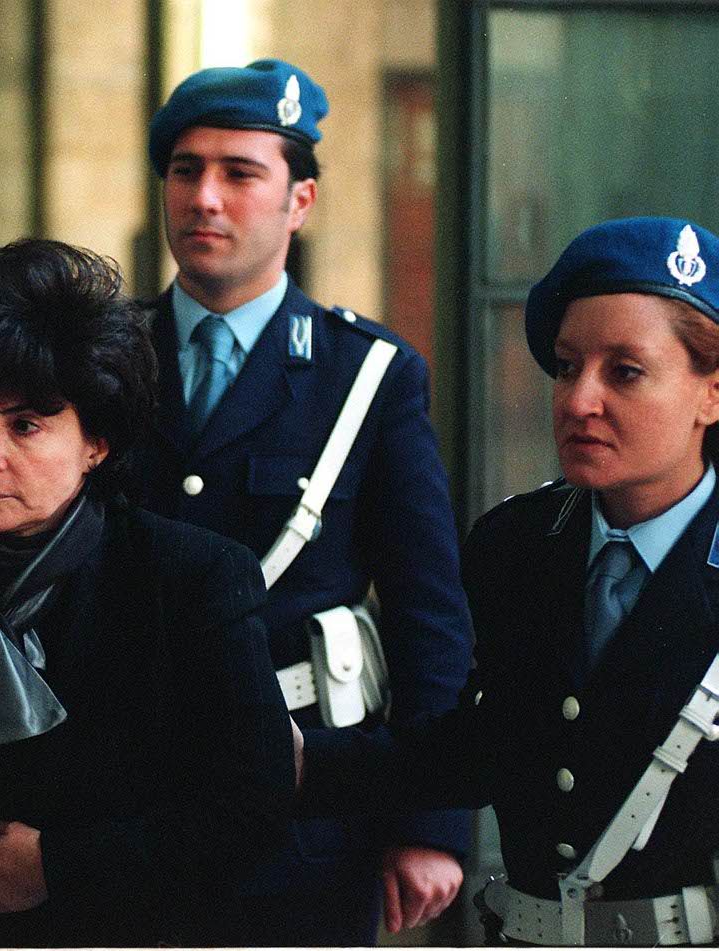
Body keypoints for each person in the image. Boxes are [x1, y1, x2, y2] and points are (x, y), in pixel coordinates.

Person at [0, 239, 296, 946]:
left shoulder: (190, 580)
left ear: (95, 444)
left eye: (24, 425)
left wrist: (61, 865)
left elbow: (252, 808)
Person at [300, 216, 719, 946]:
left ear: (711, 394)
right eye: (566, 366)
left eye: (624, 372)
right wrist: (298, 763)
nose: (578, 400)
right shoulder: (517, 545)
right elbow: (480, 748)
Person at [132, 57, 473, 943]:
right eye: (185, 170)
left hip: (303, 811)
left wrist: (429, 822)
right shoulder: (102, 359)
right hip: (119, 796)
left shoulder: (366, 375)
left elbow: (428, 610)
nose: (205, 198)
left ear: (301, 200)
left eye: (240, 173)